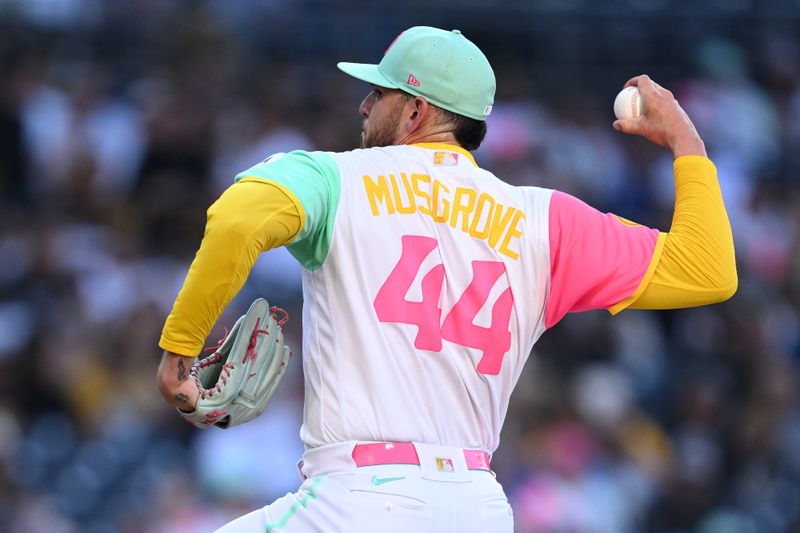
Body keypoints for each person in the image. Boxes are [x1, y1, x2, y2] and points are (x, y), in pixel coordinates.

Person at [156, 26, 736, 532]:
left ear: (415, 112)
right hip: (478, 504)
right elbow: (707, 270)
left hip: (361, 499)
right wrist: (688, 142)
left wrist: (180, 351)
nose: (364, 105)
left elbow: (235, 217)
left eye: (380, 92)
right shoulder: (546, 220)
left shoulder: (336, 178)